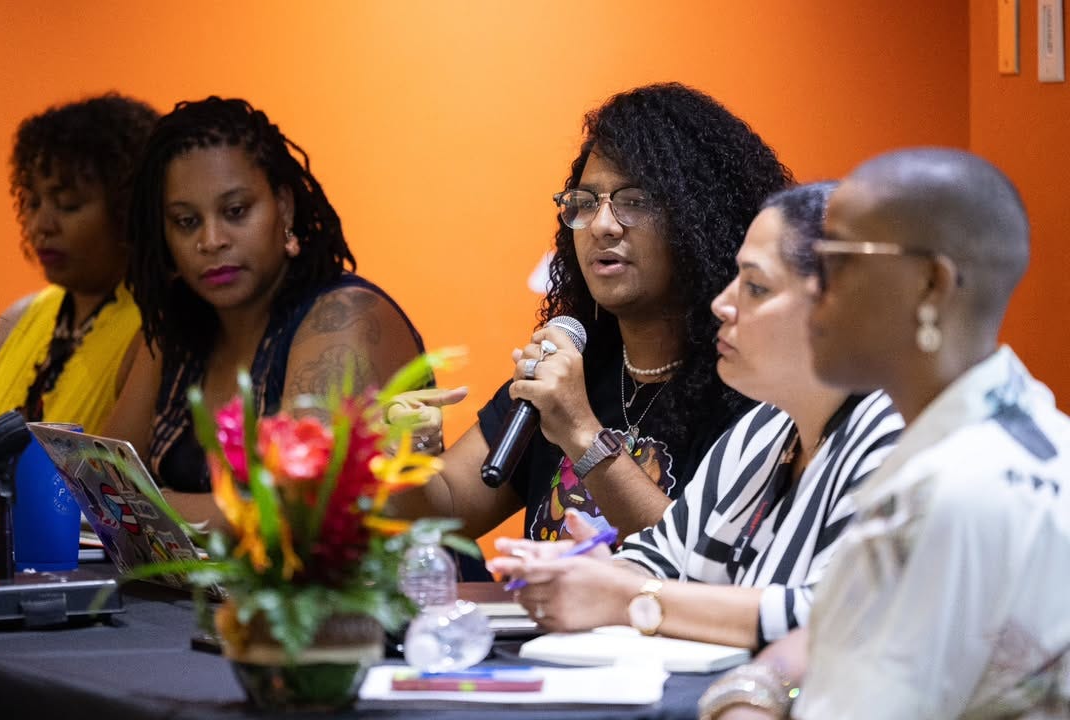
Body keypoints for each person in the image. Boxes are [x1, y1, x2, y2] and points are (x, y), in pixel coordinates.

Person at [701, 149, 1070, 719]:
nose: (814, 290)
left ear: (931, 285)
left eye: (838, 262)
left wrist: (742, 699)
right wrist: (766, 678)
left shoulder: (948, 496)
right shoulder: (1022, 424)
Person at [488, 183, 902, 649]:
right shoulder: (762, 431)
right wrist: (597, 571)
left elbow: (832, 617)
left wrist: (625, 597)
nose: (723, 303)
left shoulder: (897, 437)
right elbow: (665, 556)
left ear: (841, 308)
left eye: (756, 287)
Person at [393, 82, 793, 542]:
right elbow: (445, 511)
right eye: (585, 203)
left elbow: (706, 560)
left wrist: (582, 433)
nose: (602, 226)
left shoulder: (753, 392)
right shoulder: (571, 373)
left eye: (634, 201)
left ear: (699, 219)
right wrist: (408, 454)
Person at [104, 97, 427, 524]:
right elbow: (100, 481)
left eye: (235, 211)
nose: (211, 240)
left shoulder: (344, 316)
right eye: (186, 221)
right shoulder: (175, 328)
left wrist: (147, 505)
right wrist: (133, 503)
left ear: (284, 207)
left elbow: (301, 510)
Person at [0, 94, 157, 433]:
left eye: (67, 205)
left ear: (128, 209)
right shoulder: (19, 317)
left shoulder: (153, 334)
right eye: (33, 203)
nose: (41, 225)